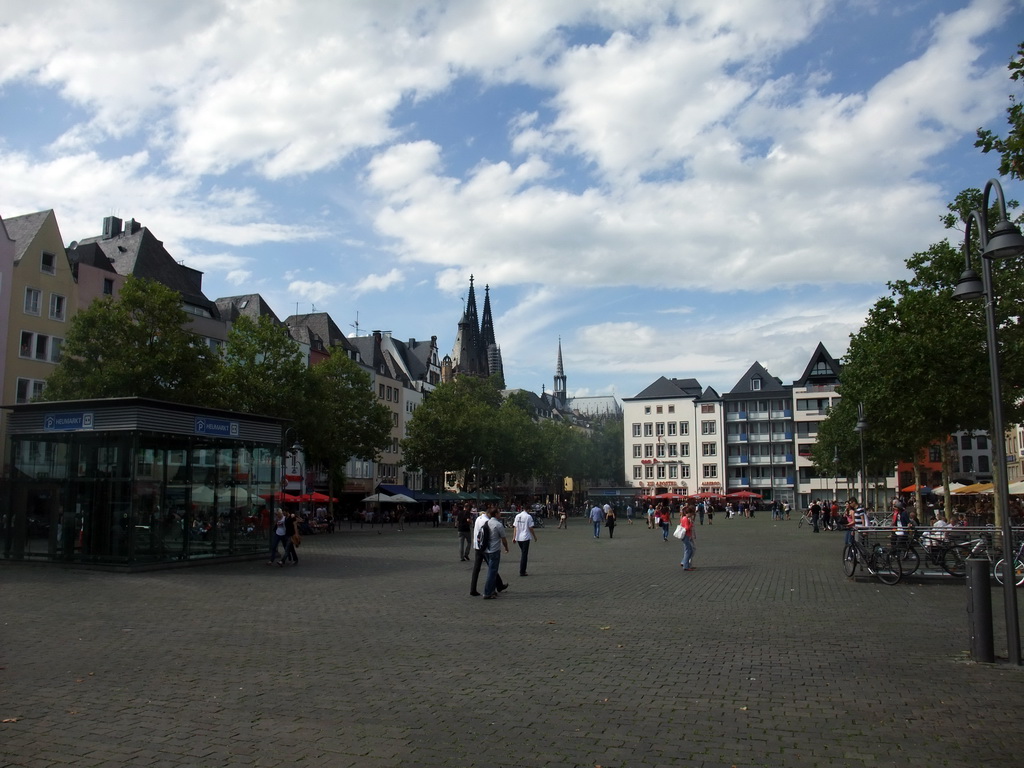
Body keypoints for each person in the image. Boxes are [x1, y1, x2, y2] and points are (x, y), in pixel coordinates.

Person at [482, 507, 509, 599]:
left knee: (492, 570)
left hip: (486, 550)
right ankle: (487, 592)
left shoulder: (487, 523)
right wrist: (506, 547)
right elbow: (503, 539)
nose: (500, 514)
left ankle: (492, 590)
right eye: (499, 512)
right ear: (496, 514)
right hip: (494, 550)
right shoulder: (498, 525)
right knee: (492, 572)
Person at [512, 505, 537, 576]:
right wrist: (534, 536)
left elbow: (515, 527)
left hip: (518, 537)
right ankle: (522, 571)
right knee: (524, 554)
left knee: (523, 552)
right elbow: (531, 528)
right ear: (528, 510)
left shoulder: (517, 516)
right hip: (525, 537)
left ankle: (522, 570)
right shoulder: (528, 517)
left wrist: (514, 537)